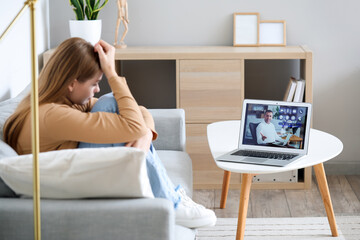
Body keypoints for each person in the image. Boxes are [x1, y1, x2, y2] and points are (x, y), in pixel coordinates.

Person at [3, 38, 216, 229]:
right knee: (111, 102)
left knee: (108, 101)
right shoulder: (52, 115)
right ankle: (172, 202)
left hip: (70, 168)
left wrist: (146, 135)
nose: (96, 89)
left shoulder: (59, 102)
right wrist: (112, 73)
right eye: (94, 83)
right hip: (66, 182)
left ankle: (170, 194)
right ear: (71, 83)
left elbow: (140, 111)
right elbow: (132, 123)